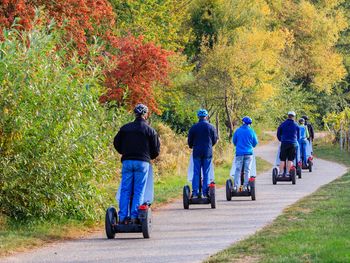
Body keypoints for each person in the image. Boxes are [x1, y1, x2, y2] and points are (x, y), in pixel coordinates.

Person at [114, 104, 160, 224]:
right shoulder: (150, 130)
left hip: (127, 161)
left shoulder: (125, 128)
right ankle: (134, 216)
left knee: (125, 189)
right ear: (146, 114)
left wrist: (124, 152)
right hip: (142, 162)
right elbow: (156, 149)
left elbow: (116, 143)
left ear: (135, 114)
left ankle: (123, 217)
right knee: (139, 190)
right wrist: (150, 157)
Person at [188, 109, 218, 198]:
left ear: (198, 117)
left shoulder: (194, 127)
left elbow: (190, 140)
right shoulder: (211, 127)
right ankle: (205, 193)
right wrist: (210, 145)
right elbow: (215, 139)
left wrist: (191, 146)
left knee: (196, 172)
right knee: (206, 172)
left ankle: (195, 193)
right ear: (207, 116)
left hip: (196, 152)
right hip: (207, 152)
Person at [232, 116, 258, 191]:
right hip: (249, 153)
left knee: (238, 169)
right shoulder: (251, 131)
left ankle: (236, 187)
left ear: (243, 122)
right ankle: (245, 187)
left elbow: (234, 141)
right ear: (250, 124)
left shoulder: (238, 131)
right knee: (247, 170)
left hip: (239, 153)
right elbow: (255, 143)